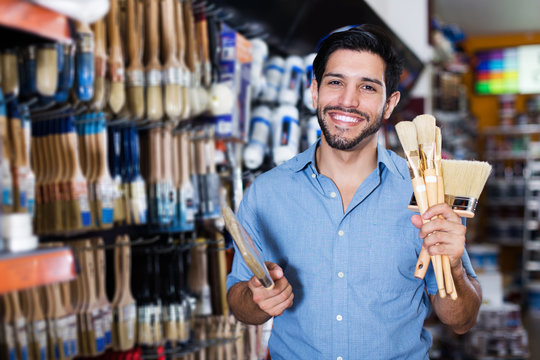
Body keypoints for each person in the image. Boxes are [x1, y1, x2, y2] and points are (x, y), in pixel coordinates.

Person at [226, 24, 481, 359]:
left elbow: (460, 321)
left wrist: (456, 270)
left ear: (389, 104)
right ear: (314, 91)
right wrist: (257, 299)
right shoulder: (266, 193)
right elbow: (239, 303)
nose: (348, 101)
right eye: (336, 82)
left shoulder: (429, 193)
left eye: (367, 87)